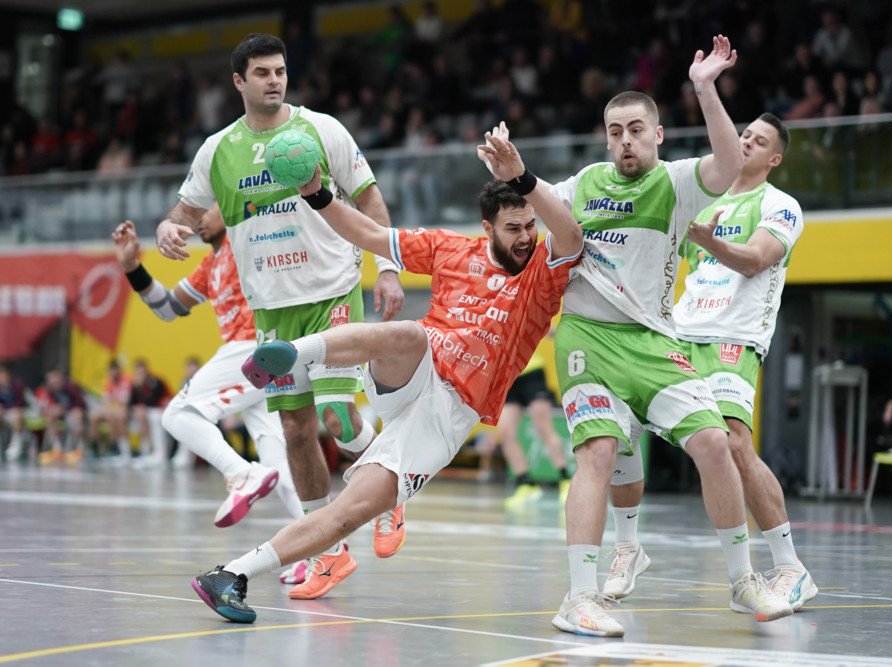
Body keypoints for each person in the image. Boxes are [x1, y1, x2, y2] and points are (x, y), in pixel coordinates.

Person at [190, 136, 583, 624]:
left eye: (530, 225)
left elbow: (570, 237)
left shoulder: (543, 272)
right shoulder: (452, 249)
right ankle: (292, 354)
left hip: (450, 413)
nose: (526, 236)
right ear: (488, 229)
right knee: (407, 334)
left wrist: (522, 176)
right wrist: (318, 195)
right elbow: (369, 234)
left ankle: (231, 575)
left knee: (346, 513)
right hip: (416, 367)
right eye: (513, 228)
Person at [485, 36, 793, 637]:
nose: (624, 140)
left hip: (655, 340)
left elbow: (729, 164)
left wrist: (705, 88)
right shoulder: (584, 183)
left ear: (656, 135)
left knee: (713, 441)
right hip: (586, 341)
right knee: (598, 454)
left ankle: (742, 579)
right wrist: (519, 178)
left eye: (635, 130)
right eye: (615, 131)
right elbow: (550, 218)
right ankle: (579, 596)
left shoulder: (678, 183)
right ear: (606, 138)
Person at [154, 33, 406, 598]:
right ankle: (329, 553)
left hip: (334, 291)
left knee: (338, 416)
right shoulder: (217, 150)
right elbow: (186, 210)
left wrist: (387, 268)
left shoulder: (322, 130)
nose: (275, 80)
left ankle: (396, 490)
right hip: (272, 309)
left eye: (281, 71)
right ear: (239, 82)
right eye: (262, 72)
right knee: (294, 430)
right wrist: (169, 226)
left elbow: (369, 199)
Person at [604, 113, 818, 612]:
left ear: (775, 158)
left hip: (733, 339)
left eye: (759, 141)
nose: (746, 143)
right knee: (618, 423)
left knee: (735, 444)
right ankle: (628, 548)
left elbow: (754, 259)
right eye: (744, 135)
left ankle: (790, 567)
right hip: (681, 330)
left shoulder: (781, 205)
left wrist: (705, 239)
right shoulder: (709, 196)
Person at [113, 209, 306, 538]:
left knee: (176, 415)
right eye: (193, 212)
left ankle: (240, 473)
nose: (196, 219)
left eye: (205, 209)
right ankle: (326, 549)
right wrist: (132, 266)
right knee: (278, 465)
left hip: (254, 346)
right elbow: (168, 308)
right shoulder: (209, 264)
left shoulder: (247, 237)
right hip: (256, 367)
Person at [500, 347, 573, 509]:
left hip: (532, 372)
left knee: (544, 428)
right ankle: (526, 484)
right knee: (506, 433)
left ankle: (565, 479)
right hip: (509, 375)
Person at [34, 369, 87, 465]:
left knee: (78, 415)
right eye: (50, 381)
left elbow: (81, 404)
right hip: (61, 414)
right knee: (50, 416)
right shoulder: (51, 389)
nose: (53, 383)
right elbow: (49, 404)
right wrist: (54, 409)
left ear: (60, 378)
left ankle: (80, 448)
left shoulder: (71, 387)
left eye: (55, 381)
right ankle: (57, 448)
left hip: (73, 411)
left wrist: (64, 408)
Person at [86, 360, 133, 465]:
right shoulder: (108, 382)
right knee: (94, 417)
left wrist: (111, 410)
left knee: (117, 416)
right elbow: (105, 400)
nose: (112, 373)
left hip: (124, 409)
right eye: (110, 371)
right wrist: (107, 409)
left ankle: (116, 448)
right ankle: (94, 448)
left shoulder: (126, 380)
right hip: (112, 409)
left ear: (118, 370)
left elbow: (124, 402)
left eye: (114, 370)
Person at [128, 359, 173, 467]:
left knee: (153, 417)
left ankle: (158, 453)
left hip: (164, 410)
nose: (140, 375)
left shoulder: (154, 382)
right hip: (150, 412)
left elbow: (151, 401)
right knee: (140, 415)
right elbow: (131, 403)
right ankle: (146, 451)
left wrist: (139, 388)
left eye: (142, 372)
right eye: (137, 373)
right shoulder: (136, 384)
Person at [0, 364, 29, 462]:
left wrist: (5, 407)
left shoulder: (17, 385)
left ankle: (16, 444)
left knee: (16, 414)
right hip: (4, 413)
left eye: (3, 374)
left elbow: (21, 403)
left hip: (20, 411)